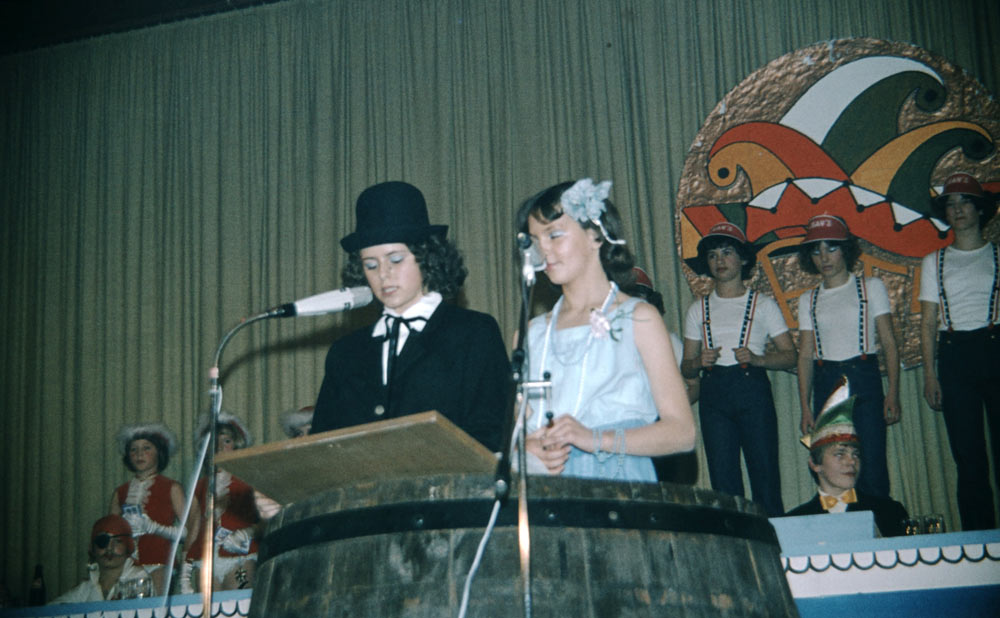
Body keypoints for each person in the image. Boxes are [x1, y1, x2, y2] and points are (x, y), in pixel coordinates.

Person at [310, 181, 510, 452]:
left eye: (395, 260)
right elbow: (322, 445)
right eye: (371, 265)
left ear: (426, 257)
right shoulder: (344, 353)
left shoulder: (473, 333)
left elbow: (491, 430)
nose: (383, 274)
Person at [517, 179, 695, 481]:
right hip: (547, 484)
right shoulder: (532, 333)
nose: (543, 249)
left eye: (554, 235)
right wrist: (527, 447)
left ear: (595, 236)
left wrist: (594, 439)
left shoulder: (638, 318)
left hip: (618, 479)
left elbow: (682, 433)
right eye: (535, 240)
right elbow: (516, 426)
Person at [681, 222, 796, 516]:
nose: (719, 261)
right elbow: (686, 368)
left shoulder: (763, 305)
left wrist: (759, 360)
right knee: (723, 482)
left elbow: (790, 356)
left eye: (727, 253)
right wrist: (698, 362)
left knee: (765, 475)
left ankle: (772, 539)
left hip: (752, 390)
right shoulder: (697, 309)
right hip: (714, 395)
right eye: (713, 255)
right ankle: (735, 540)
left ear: (743, 259)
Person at [796, 214, 901, 498]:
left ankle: (881, 523)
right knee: (836, 467)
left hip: (865, 377)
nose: (824, 257)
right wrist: (805, 406)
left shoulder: (871, 287)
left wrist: (893, 392)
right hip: (826, 382)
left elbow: (889, 342)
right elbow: (805, 355)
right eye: (816, 251)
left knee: (872, 465)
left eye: (831, 248)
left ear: (846, 250)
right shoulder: (808, 299)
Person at [919, 172, 1000, 531]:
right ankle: (979, 539)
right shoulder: (933, 262)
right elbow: (928, 322)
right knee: (968, 457)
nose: (958, 209)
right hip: (954, 354)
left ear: (980, 209)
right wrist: (930, 374)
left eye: (965, 201)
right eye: (951, 204)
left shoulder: (997, 254)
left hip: (995, 347)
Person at [784, 379, 909, 537]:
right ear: (815, 463)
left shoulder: (889, 512)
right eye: (840, 454)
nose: (851, 461)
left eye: (855, 454)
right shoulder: (794, 522)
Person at [183, 412, 278, 592]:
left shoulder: (250, 478)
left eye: (226, 441)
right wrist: (185, 570)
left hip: (239, 557)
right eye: (214, 442)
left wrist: (246, 533)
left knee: (237, 602)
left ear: (236, 444)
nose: (219, 447)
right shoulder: (200, 485)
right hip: (205, 559)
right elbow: (193, 529)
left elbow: (268, 520)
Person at [626, 266, 700, 484]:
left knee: (670, 485)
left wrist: (668, 412)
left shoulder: (668, 340)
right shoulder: (608, 346)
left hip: (662, 431)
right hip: (627, 431)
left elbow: (694, 387)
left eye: (640, 297)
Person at [109, 422, 187, 595]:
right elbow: (110, 535)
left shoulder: (172, 487)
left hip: (160, 563)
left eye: (146, 448)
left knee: (155, 606)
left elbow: (189, 533)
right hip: (126, 567)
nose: (139, 454)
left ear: (159, 452)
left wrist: (154, 528)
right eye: (133, 449)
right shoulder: (120, 492)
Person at [50, 515, 151, 603]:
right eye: (102, 541)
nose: (109, 548)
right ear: (92, 548)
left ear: (128, 547)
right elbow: (51, 611)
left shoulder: (142, 580)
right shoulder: (86, 588)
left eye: (117, 541)